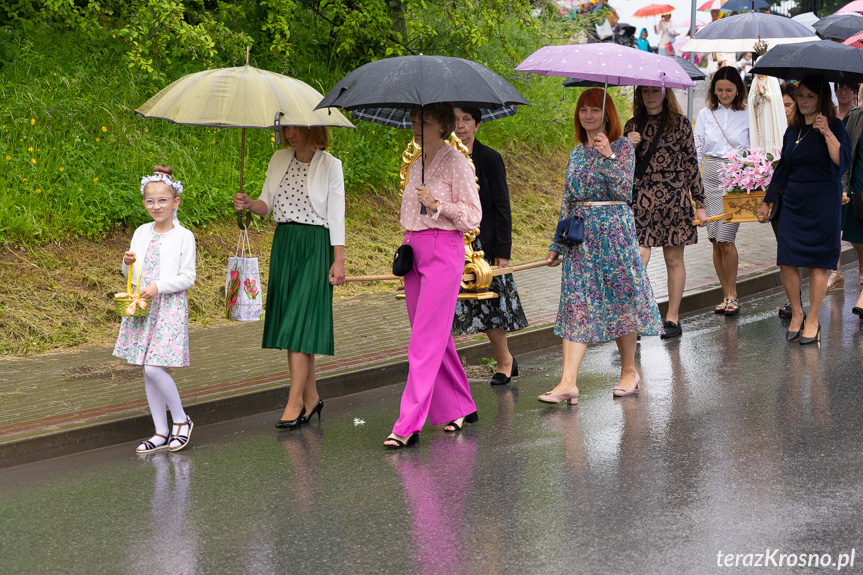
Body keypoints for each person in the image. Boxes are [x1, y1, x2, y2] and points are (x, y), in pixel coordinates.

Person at [542, 88, 661, 405]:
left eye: (595, 110)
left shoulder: (622, 146)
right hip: (580, 240)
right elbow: (568, 199)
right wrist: (557, 244)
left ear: (607, 115)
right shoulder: (576, 152)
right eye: (584, 110)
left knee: (621, 302)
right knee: (575, 304)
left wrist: (608, 154)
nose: (589, 115)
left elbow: (624, 188)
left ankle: (628, 371)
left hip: (614, 235)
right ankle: (568, 382)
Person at [233, 123, 346, 429]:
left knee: (299, 321)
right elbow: (266, 204)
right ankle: (311, 399)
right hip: (285, 244)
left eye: (298, 128)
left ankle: (294, 401)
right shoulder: (279, 158)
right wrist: (249, 204)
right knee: (294, 326)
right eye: (287, 128)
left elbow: (337, 214)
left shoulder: (330, 165)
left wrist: (339, 260)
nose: (291, 134)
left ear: (314, 129)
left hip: (315, 246)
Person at [384, 103, 482, 449]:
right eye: (412, 120)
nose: (415, 127)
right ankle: (459, 405)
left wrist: (438, 204)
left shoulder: (457, 162)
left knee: (424, 342)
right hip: (414, 251)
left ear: (442, 126)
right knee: (434, 336)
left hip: (444, 250)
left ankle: (407, 424)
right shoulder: (416, 163)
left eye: (422, 121)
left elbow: (472, 216)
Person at [756, 75, 851, 344]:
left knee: (817, 265)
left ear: (822, 99)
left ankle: (813, 319)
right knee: (786, 260)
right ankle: (797, 313)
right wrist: (767, 201)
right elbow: (783, 167)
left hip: (823, 203)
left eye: (810, 96)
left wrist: (827, 133)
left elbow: (841, 162)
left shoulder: (834, 126)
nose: (804, 101)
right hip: (794, 203)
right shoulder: (792, 129)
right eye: (801, 96)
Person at [114, 165, 195, 453]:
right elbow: (130, 274)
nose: (156, 206)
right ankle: (161, 431)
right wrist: (126, 262)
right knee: (147, 370)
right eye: (150, 201)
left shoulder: (184, 236)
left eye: (162, 200)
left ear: (176, 202)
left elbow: (188, 277)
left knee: (153, 365)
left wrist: (158, 286)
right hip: (143, 306)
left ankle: (182, 420)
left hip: (169, 307)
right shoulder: (140, 232)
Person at [451, 107, 528, 384]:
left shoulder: (490, 158)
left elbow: (502, 207)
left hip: (485, 246)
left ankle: (505, 361)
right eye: (456, 120)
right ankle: (448, 372)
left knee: (491, 308)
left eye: (467, 120)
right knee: (452, 308)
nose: (460, 126)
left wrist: (502, 253)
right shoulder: (442, 159)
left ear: (478, 125)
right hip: (453, 243)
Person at [625, 86, 707, 339]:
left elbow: (691, 162)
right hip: (642, 197)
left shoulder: (680, 123)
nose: (650, 96)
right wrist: (626, 146)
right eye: (645, 92)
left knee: (673, 260)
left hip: (675, 196)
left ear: (664, 94)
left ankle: (672, 317)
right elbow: (621, 168)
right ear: (639, 95)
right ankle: (636, 319)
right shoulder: (631, 125)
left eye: (655, 91)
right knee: (638, 260)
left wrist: (700, 203)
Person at [694, 66, 750, 316]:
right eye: (719, 90)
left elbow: (754, 147)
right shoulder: (706, 114)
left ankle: (734, 294)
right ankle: (725, 293)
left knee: (727, 238)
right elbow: (697, 148)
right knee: (715, 240)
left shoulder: (748, 114)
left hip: (736, 177)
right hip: (709, 174)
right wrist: (693, 184)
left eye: (729, 90)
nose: (724, 94)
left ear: (738, 89)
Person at [827, 82, 861, 291]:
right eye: (840, 88)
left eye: (848, 88)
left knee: (853, 228)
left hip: (849, 178)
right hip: (830, 177)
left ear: (856, 92)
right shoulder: (829, 117)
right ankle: (835, 271)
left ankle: (861, 268)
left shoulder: (857, 117)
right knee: (832, 226)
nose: (843, 92)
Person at [776, 82, 799, 320]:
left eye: (788, 104)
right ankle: (795, 303)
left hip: (804, 199)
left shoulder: (805, 128)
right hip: (785, 197)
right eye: (780, 105)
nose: (784, 110)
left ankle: (801, 308)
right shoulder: (788, 131)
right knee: (785, 255)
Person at [838, 103, 863, 313]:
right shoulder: (857, 116)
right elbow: (846, 156)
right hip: (859, 192)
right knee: (857, 238)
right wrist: (844, 187)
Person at [748, 73, 787, 153]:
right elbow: (751, 100)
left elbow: (776, 99)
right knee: (762, 136)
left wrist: (763, 93)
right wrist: (758, 94)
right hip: (760, 115)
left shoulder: (773, 79)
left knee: (771, 135)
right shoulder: (755, 80)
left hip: (771, 115)